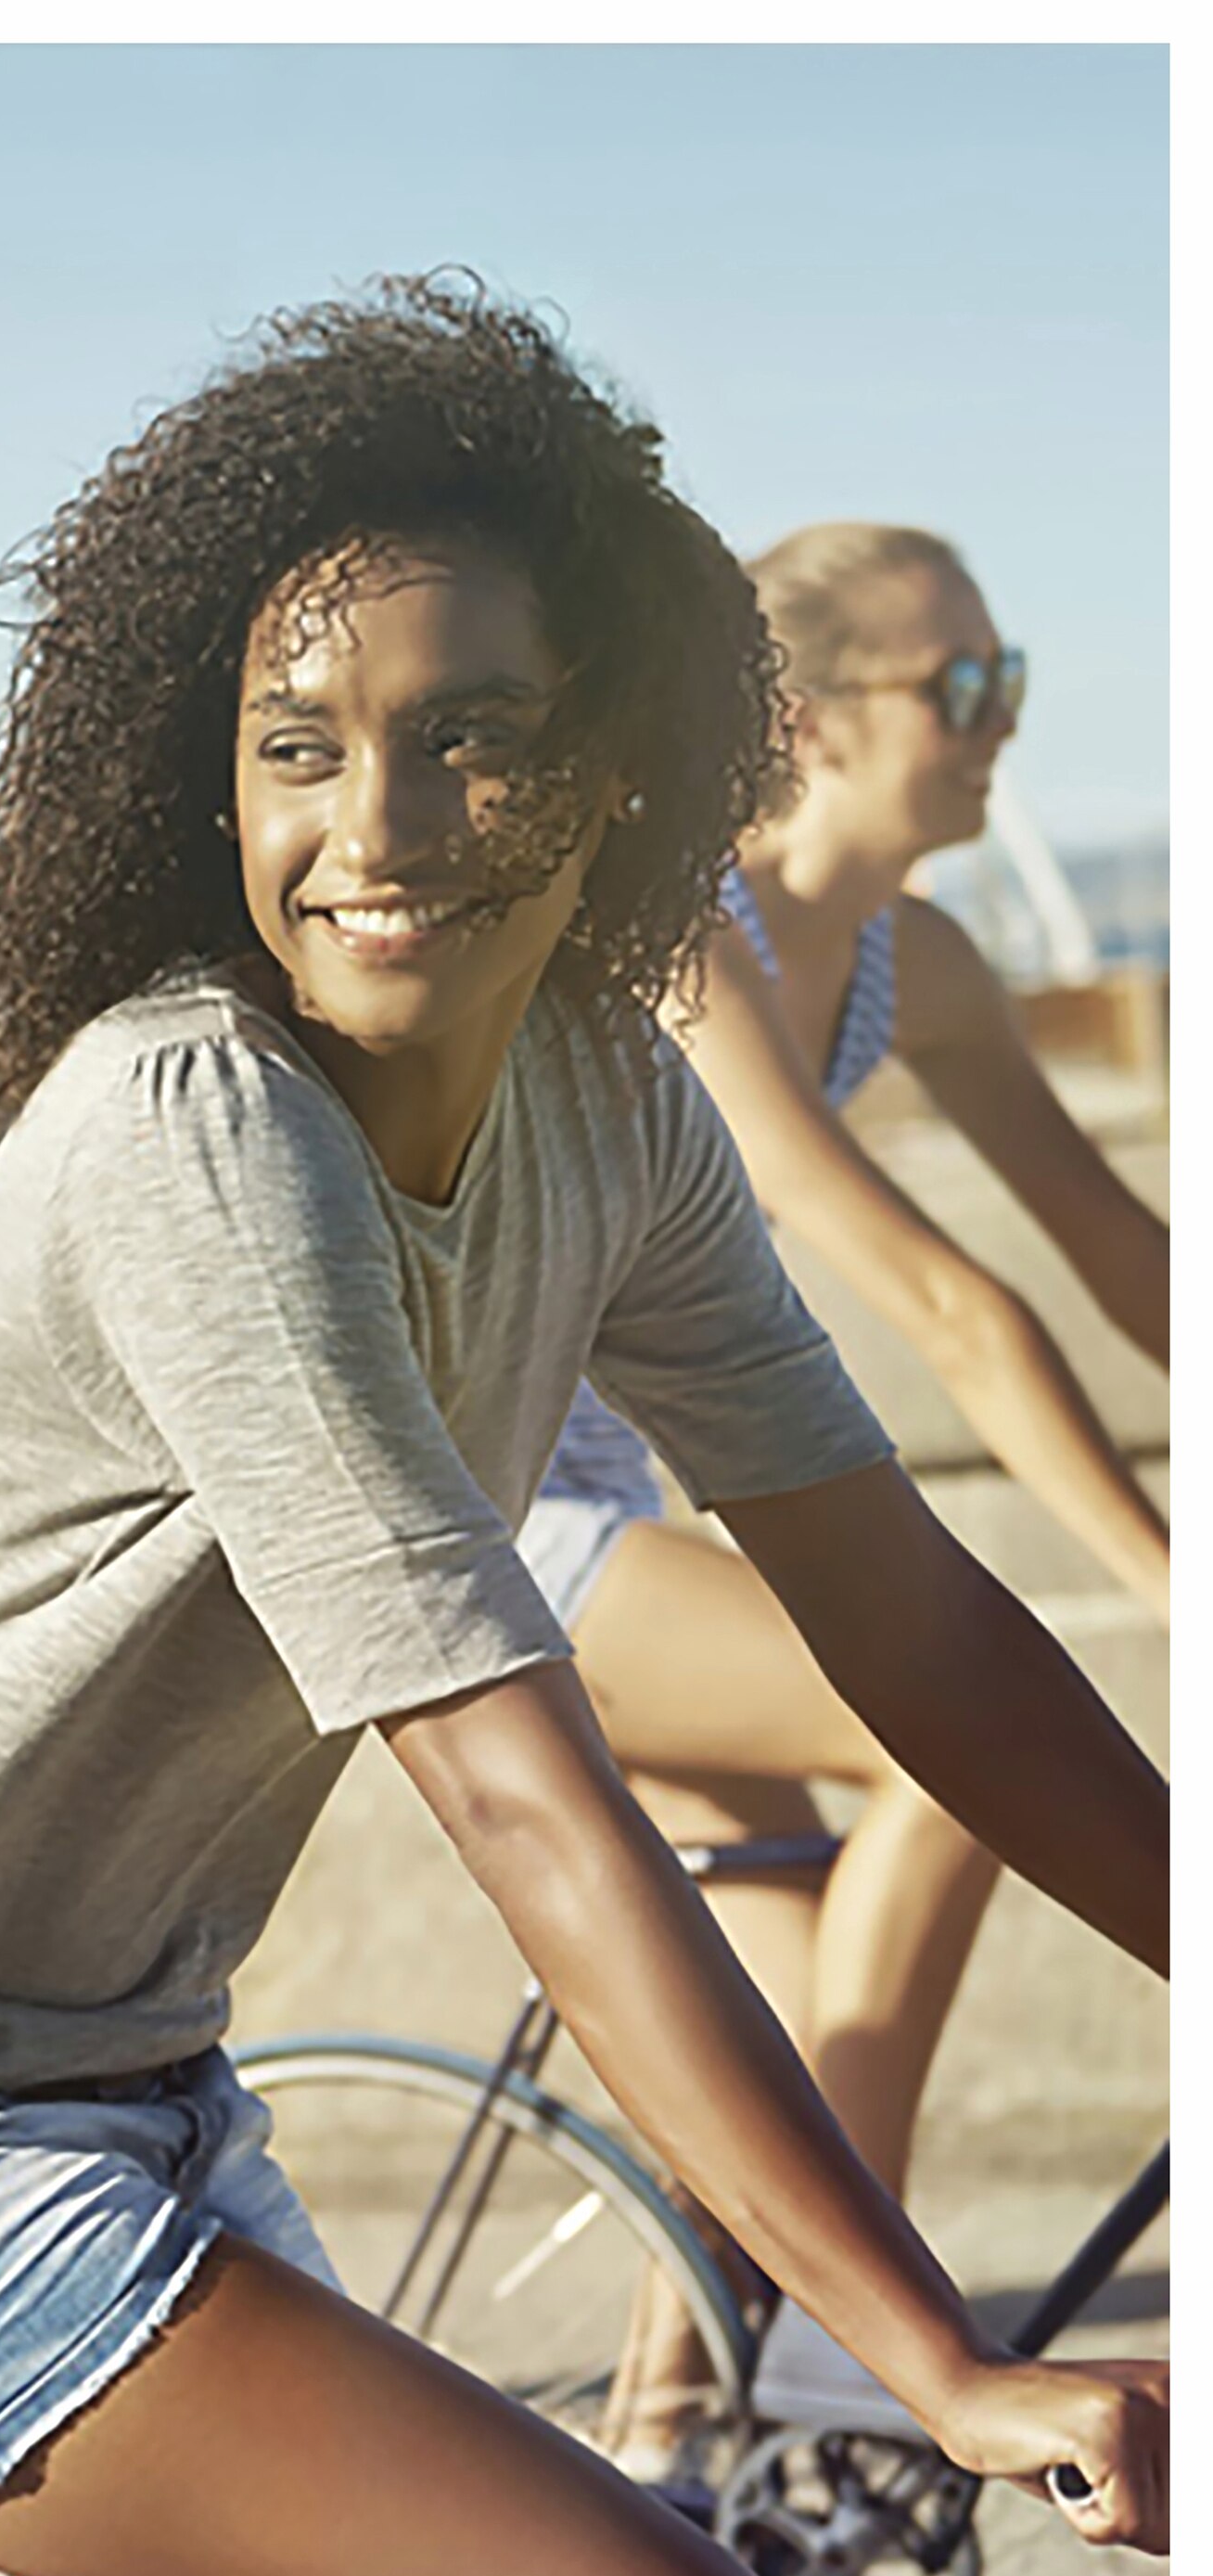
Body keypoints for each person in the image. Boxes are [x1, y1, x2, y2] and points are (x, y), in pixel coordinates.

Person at [0, 280, 1169, 2576]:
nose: (367, 827)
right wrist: (923, 2355)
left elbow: (912, 1623)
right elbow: (523, 1795)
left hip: (138, 2099)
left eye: (468, 740)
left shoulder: (613, 1103)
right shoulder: (193, 1124)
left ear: (615, 768)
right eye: (294, 744)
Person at [515, 523, 1170, 2476]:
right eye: (958, 686)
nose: (1000, 726)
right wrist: (1169, 1582)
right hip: (478, 1511)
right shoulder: (687, 939)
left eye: (1011, 679)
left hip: (622, 1499)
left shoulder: (921, 962)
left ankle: (674, 2461)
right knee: (940, 1740)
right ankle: (839, 2343)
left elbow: (1120, 1255)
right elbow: (950, 1308)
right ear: (809, 719)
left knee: (775, 2046)